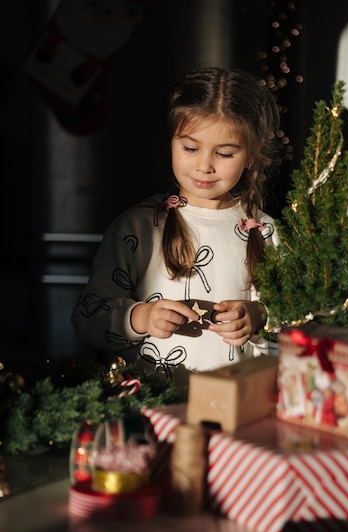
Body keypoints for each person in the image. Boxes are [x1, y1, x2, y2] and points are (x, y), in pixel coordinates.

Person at [72, 66, 280, 388]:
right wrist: (139, 318)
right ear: (171, 141)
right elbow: (87, 317)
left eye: (224, 153)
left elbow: (303, 323)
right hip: (149, 410)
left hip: (236, 414)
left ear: (251, 156)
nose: (204, 165)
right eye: (190, 148)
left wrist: (259, 317)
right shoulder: (138, 228)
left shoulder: (266, 234)